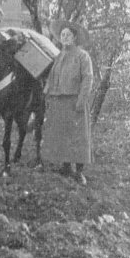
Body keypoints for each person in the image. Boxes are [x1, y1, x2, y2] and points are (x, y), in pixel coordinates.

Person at [41, 20, 93, 185]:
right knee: (62, 135)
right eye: (62, 35)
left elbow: (88, 79)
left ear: (75, 37)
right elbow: (51, 78)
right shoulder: (58, 56)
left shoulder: (82, 56)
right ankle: (66, 167)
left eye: (68, 35)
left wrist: (81, 100)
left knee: (78, 137)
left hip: (75, 101)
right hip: (59, 101)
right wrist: (48, 95)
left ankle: (79, 172)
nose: (65, 38)